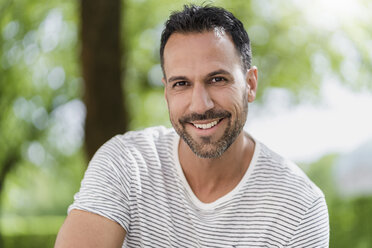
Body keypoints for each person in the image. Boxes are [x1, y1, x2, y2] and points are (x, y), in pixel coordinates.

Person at [55, 5, 329, 248]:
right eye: (182, 84)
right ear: (166, 93)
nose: (200, 105)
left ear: (251, 84)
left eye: (218, 79)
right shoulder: (125, 164)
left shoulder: (300, 206)